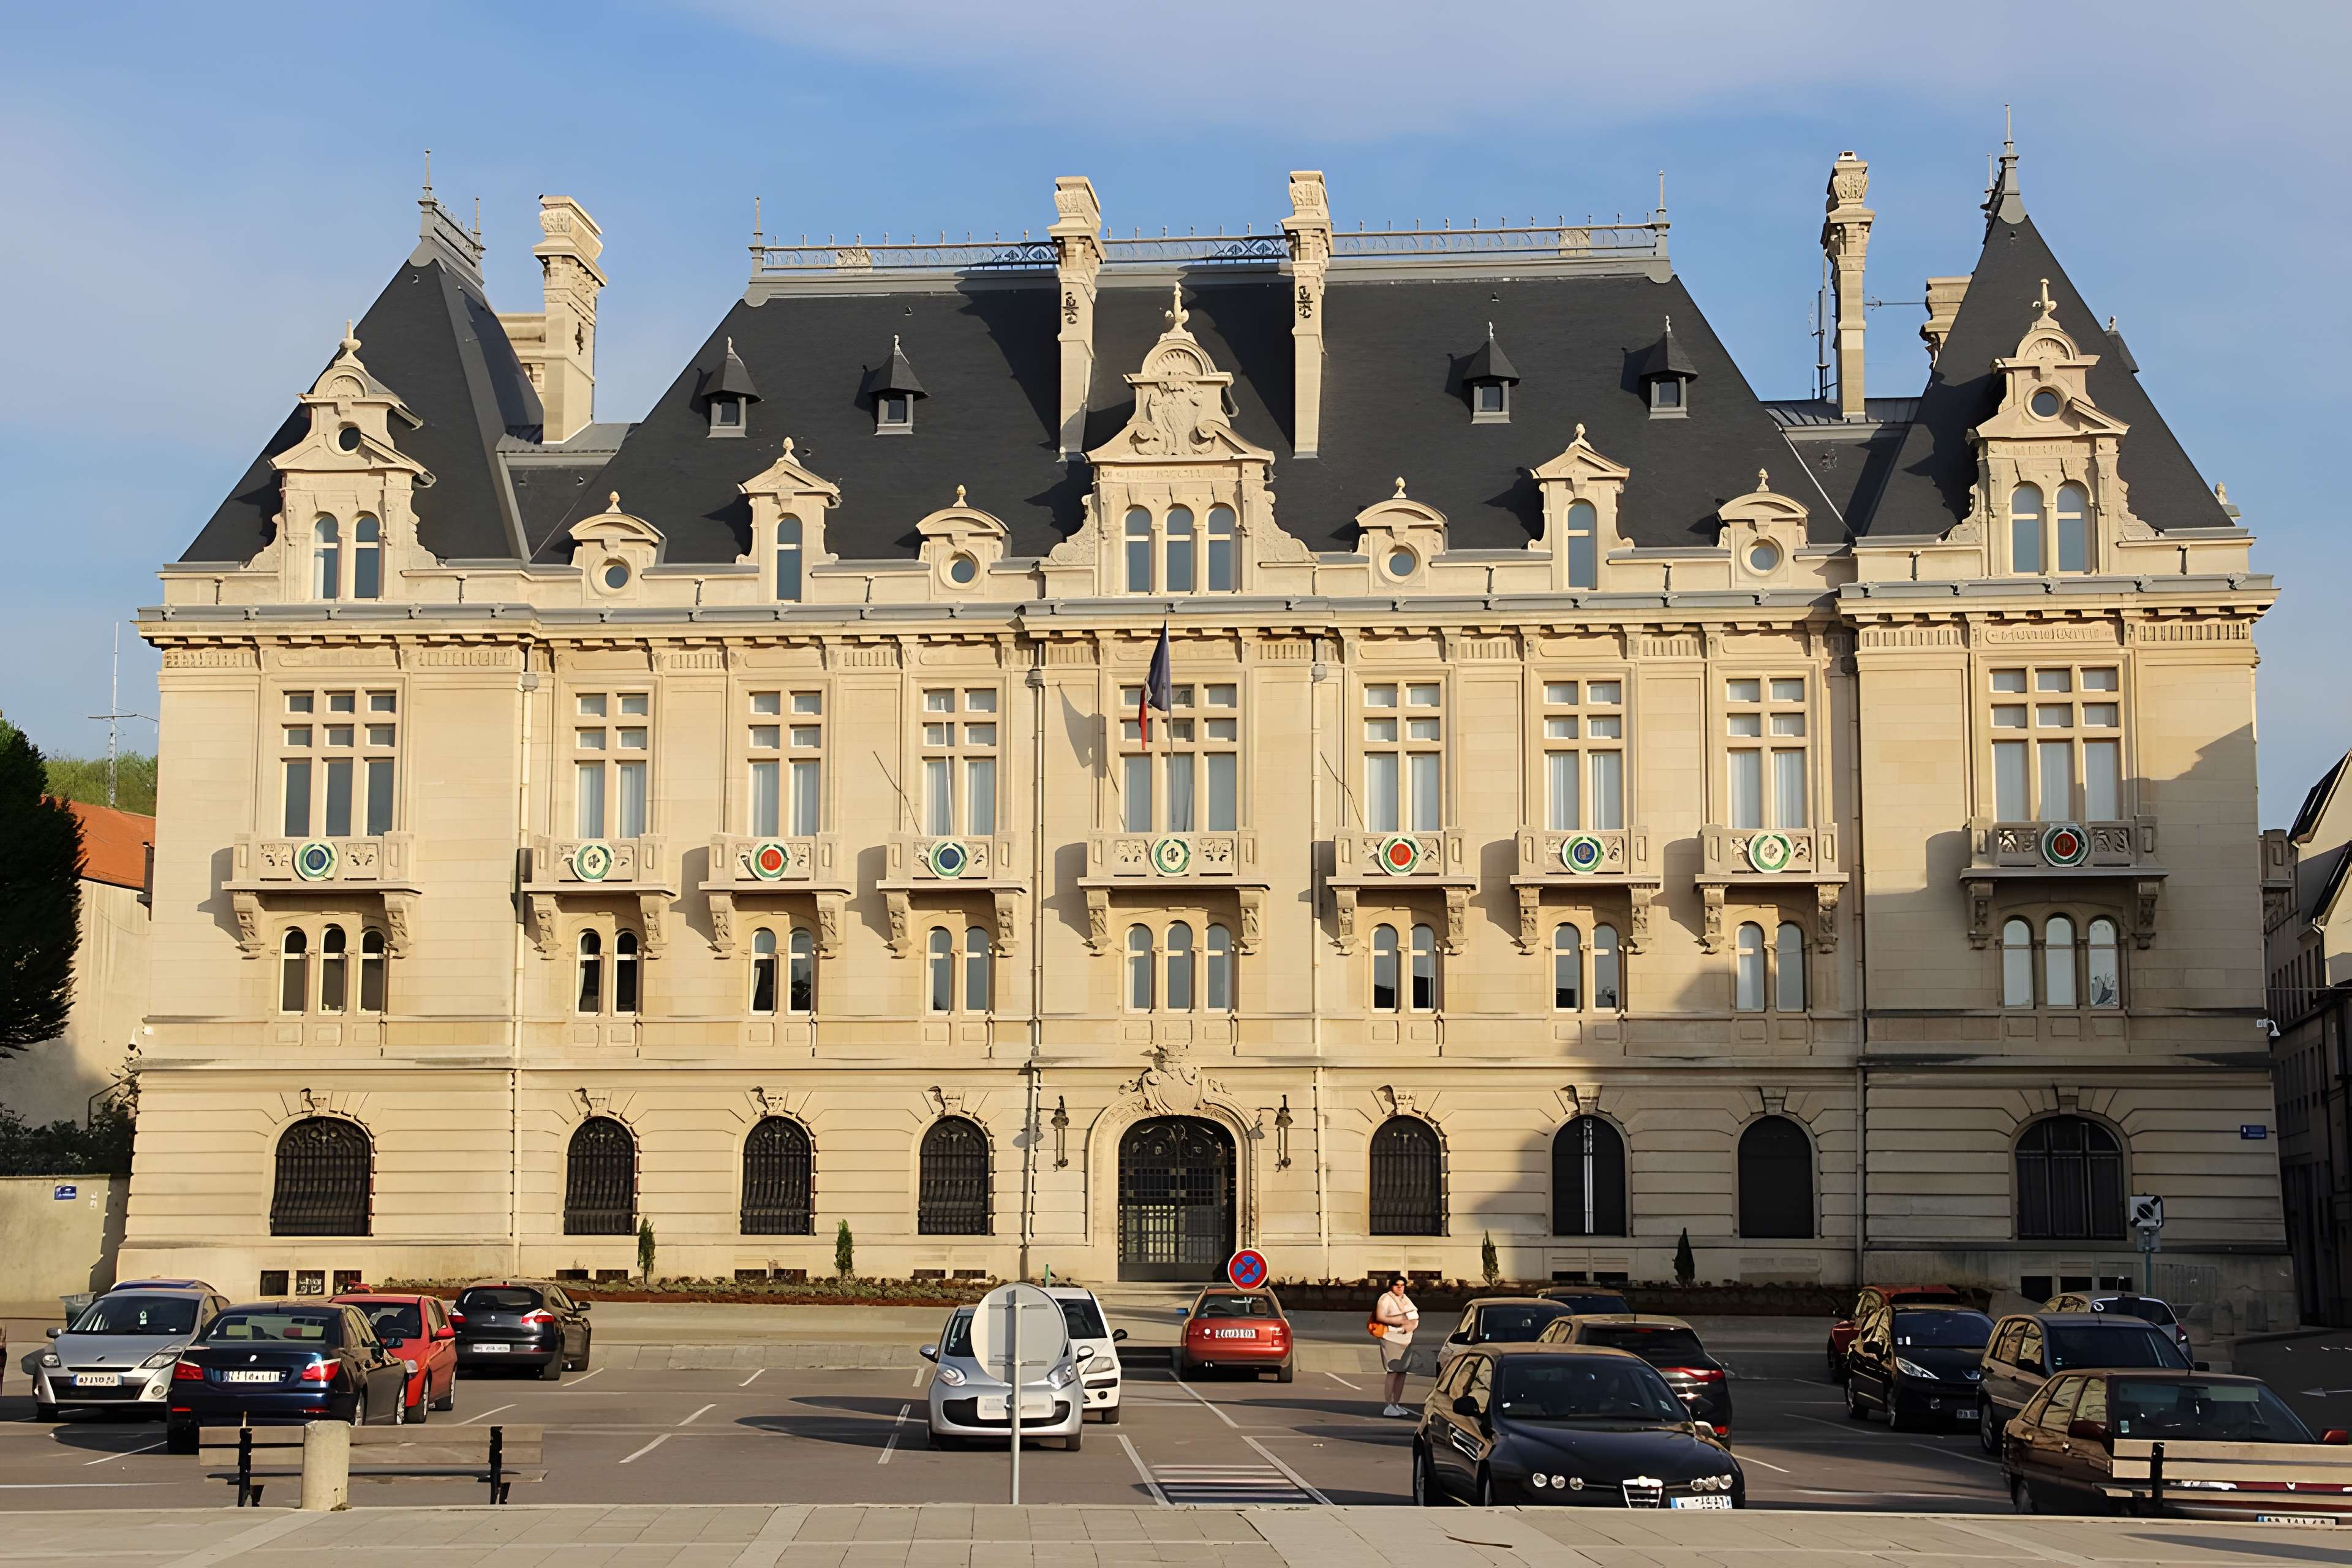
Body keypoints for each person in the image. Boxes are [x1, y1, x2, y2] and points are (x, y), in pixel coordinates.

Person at [1374, 1276, 1420, 1416]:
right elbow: (1380, 1317)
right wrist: (1399, 1322)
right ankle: (1389, 1404)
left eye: (1402, 1285)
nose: (1400, 1288)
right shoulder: (1386, 1298)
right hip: (1392, 1339)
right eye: (1397, 1285)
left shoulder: (1405, 1298)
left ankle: (1396, 1403)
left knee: (1402, 1372)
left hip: (1406, 1340)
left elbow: (1413, 1315)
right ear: (1391, 1286)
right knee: (1393, 1372)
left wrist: (1411, 1324)